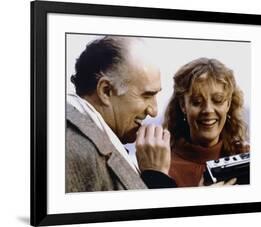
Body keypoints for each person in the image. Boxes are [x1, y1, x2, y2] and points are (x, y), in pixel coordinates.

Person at [66, 36, 176, 192]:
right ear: (106, 91)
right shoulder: (70, 147)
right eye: (146, 96)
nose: (154, 110)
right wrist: (156, 178)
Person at [163, 57, 250, 187]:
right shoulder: (165, 168)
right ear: (183, 105)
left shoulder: (247, 156)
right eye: (197, 102)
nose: (208, 110)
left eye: (218, 100)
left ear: (228, 103)